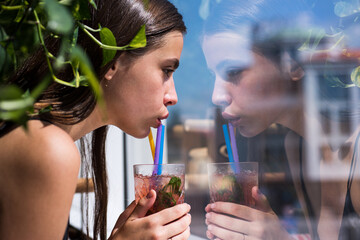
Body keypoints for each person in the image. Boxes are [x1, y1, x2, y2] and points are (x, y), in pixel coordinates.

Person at [0, 0, 192, 239]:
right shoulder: (48, 149)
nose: (172, 96)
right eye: (166, 70)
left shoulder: (35, 132)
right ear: (112, 62)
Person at [202, 0, 360, 239]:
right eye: (212, 75)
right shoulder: (297, 147)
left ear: (292, 62)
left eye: (233, 71)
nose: (216, 96)